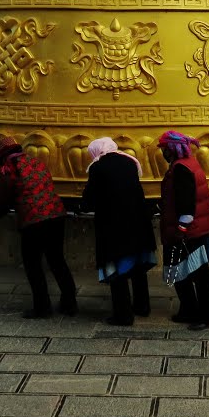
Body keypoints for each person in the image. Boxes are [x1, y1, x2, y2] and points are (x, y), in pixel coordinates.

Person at [0, 137, 77, 319]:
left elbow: (5, 196)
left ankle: (42, 307)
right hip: (56, 214)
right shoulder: (36, 161)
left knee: (33, 265)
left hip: (33, 219)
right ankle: (70, 303)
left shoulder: (8, 167)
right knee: (57, 260)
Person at [81, 137, 157, 326]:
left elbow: (90, 197)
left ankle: (123, 315)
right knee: (137, 268)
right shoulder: (129, 161)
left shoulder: (98, 167)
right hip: (138, 222)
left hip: (115, 226)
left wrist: (83, 204)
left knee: (118, 270)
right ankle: (142, 306)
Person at [158, 131, 209, 331]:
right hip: (192, 228)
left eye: (164, 148)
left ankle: (207, 316)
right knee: (181, 272)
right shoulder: (188, 164)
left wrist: (181, 228)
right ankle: (189, 309)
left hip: (188, 230)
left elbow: (187, 205)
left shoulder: (181, 169)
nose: (163, 152)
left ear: (171, 149)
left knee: (198, 274)